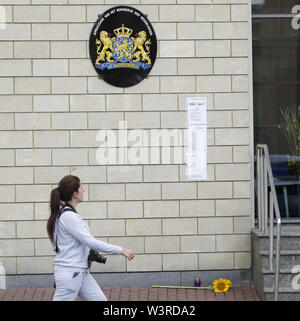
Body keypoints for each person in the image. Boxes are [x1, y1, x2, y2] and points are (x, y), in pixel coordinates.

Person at [47, 175, 134, 301]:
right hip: (71, 273)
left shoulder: (66, 214)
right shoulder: (68, 216)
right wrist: (120, 250)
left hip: (79, 272)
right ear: (75, 194)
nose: (84, 190)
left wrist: (84, 258)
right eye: (81, 187)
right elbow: (90, 242)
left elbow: (71, 244)